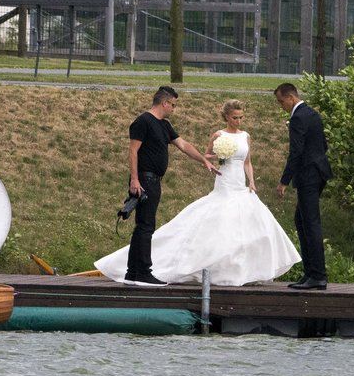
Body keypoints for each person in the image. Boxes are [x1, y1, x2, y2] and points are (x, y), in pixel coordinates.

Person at [95, 99, 300, 286]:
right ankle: (139, 269)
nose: (239, 121)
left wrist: (252, 182)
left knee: (249, 224)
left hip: (240, 183)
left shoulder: (246, 136)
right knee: (217, 221)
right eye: (235, 117)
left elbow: (247, 162)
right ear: (227, 117)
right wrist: (213, 157)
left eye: (241, 117)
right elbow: (206, 154)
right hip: (224, 182)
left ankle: (243, 270)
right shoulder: (219, 135)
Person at [106, 86, 220, 287]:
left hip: (154, 181)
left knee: (143, 225)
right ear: (164, 103)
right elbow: (133, 151)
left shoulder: (164, 125)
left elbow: (184, 145)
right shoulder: (143, 122)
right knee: (145, 226)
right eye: (173, 105)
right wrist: (134, 179)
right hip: (144, 179)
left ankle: (132, 272)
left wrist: (204, 160)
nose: (174, 109)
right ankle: (143, 271)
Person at [275, 83, 333, 290]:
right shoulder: (312, 114)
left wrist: (284, 180)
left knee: (310, 223)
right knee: (301, 221)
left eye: (281, 102)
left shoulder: (298, 117)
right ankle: (310, 272)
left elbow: (296, 152)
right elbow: (323, 144)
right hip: (318, 171)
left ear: (290, 98)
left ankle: (318, 275)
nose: (281, 106)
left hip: (308, 174)